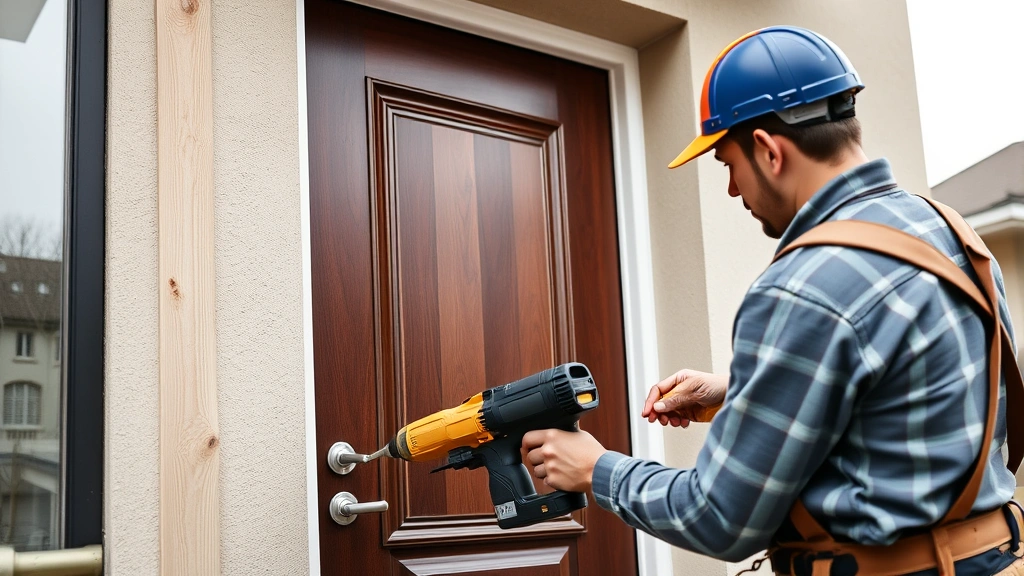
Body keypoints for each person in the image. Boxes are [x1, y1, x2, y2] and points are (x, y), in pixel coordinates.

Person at [522, 26, 1024, 576]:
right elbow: (915, 397)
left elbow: (720, 518)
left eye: (727, 166)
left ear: (767, 150)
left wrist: (596, 468)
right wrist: (739, 392)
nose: (734, 190)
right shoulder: (948, 231)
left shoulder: (801, 285)